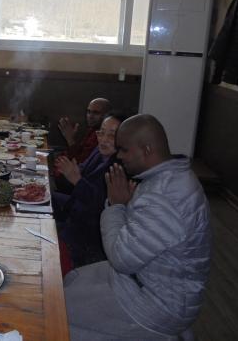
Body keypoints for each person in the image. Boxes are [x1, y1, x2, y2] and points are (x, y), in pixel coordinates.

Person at [64, 114, 211, 340]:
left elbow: (121, 259)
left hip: (154, 303)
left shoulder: (164, 197)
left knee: (56, 312)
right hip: (142, 279)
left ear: (146, 149)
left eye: (124, 150)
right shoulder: (171, 175)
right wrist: (126, 206)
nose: (119, 156)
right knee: (71, 280)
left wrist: (115, 206)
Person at [52, 113, 123, 270]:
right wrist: (71, 170)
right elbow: (82, 169)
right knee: (46, 199)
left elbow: (102, 204)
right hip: (76, 207)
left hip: (90, 227)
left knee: (48, 229)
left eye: (112, 135)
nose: (103, 139)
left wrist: (76, 180)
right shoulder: (99, 151)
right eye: (101, 132)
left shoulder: (119, 168)